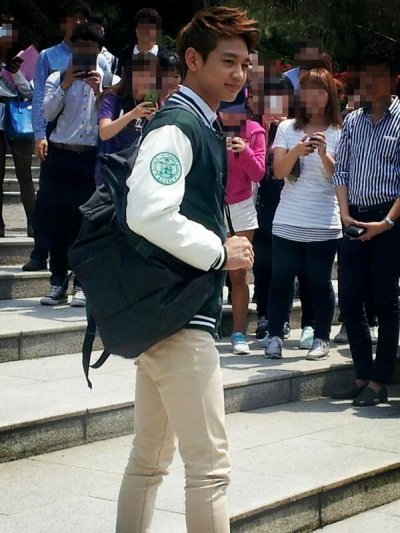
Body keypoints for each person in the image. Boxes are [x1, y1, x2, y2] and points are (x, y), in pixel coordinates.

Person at [116, 7, 259, 532]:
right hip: (179, 320)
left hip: (166, 316)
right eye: (228, 61)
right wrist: (220, 251)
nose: (239, 74)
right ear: (193, 60)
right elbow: (148, 212)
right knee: (209, 470)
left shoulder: (196, 122)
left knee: (149, 460)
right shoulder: (179, 124)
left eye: (244, 63)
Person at [331, 40, 400, 407]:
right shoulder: (353, 121)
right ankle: (361, 374)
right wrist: (344, 213)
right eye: (366, 75)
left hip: (390, 217)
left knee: (386, 300)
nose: (371, 81)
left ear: (393, 79)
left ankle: (379, 380)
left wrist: (386, 222)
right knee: (350, 298)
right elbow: (340, 170)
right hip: (353, 215)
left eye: (378, 75)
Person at [265, 68, 342, 361]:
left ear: (329, 95)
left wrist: (323, 154)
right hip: (288, 218)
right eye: (308, 90)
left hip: (324, 221)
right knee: (281, 280)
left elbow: (339, 179)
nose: (314, 97)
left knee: (319, 283)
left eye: (320, 91)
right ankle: (274, 335)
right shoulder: (287, 128)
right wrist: (297, 150)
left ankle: (321, 337)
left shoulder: (340, 131)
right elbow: (279, 172)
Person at [39, 22, 114, 307]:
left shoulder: (109, 79)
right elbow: (47, 113)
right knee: (58, 220)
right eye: (79, 48)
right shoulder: (57, 77)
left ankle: (81, 284)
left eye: (90, 49)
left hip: (90, 157)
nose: (84, 54)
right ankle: (57, 282)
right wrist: (66, 83)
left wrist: (99, 91)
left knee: (86, 222)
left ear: (99, 51)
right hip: (61, 155)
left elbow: (108, 119)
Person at [22, 0, 91, 271]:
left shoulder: (100, 58)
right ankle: (40, 251)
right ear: (64, 24)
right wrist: (39, 134)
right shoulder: (49, 56)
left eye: (82, 20)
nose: (77, 24)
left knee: (76, 202)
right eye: (72, 19)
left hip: (84, 135)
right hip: (54, 130)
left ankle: (72, 258)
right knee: (47, 195)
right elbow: (39, 96)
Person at [222, 99, 266, 354]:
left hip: (241, 205)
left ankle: (239, 332)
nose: (229, 115)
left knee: (239, 272)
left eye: (236, 111)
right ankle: (202, 328)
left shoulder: (255, 131)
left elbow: (259, 173)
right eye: (225, 110)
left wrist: (245, 150)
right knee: (205, 269)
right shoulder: (209, 126)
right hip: (211, 204)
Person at [96, 55, 159, 187]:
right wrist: (131, 115)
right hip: (111, 170)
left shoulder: (154, 101)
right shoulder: (112, 97)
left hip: (138, 172)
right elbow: (104, 132)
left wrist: (155, 120)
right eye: (141, 75)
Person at [0, 15, 35, 237]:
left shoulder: (21, 60)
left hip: (18, 116)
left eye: (8, 30)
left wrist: (16, 73)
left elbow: (30, 92)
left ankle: (33, 222)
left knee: (25, 173)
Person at [117, 8, 169, 76]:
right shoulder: (126, 54)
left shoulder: (166, 58)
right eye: (143, 27)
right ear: (136, 30)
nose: (146, 32)